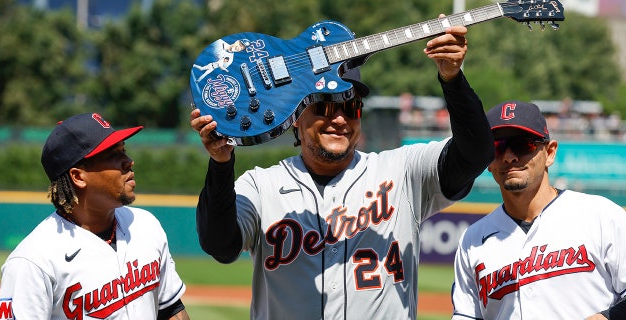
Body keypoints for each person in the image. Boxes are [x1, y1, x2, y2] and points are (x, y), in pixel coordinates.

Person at [190, 23, 494, 319]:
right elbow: (220, 245)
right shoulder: (261, 186)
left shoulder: (402, 172)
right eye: (324, 106)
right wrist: (220, 164)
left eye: (351, 108)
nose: (339, 119)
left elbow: (476, 153)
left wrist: (452, 79)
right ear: (295, 115)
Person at [0, 113, 190, 320]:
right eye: (113, 155)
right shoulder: (33, 261)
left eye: (124, 151)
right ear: (78, 176)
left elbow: (171, 309)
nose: (129, 162)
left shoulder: (145, 225)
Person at [451, 101, 626, 320]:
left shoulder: (601, 216)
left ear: (550, 152)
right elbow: (466, 315)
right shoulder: (473, 240)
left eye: (524, 144)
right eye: (497, 146)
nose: (509, 157)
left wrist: (608, 317)